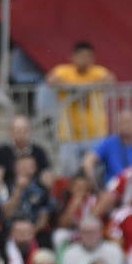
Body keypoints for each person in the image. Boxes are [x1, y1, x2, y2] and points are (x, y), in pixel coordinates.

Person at [46, 41, 115, 175]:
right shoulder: (64, 71)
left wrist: (83, 87)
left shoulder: (97, 71)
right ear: (72, 57)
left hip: (95, 132)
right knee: (69, 171)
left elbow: (110, 80)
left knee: (95, 171)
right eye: (81, 56)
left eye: (88, 56)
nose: (85, 60)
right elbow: (51, 80)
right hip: (69, 133)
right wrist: (77, 87)